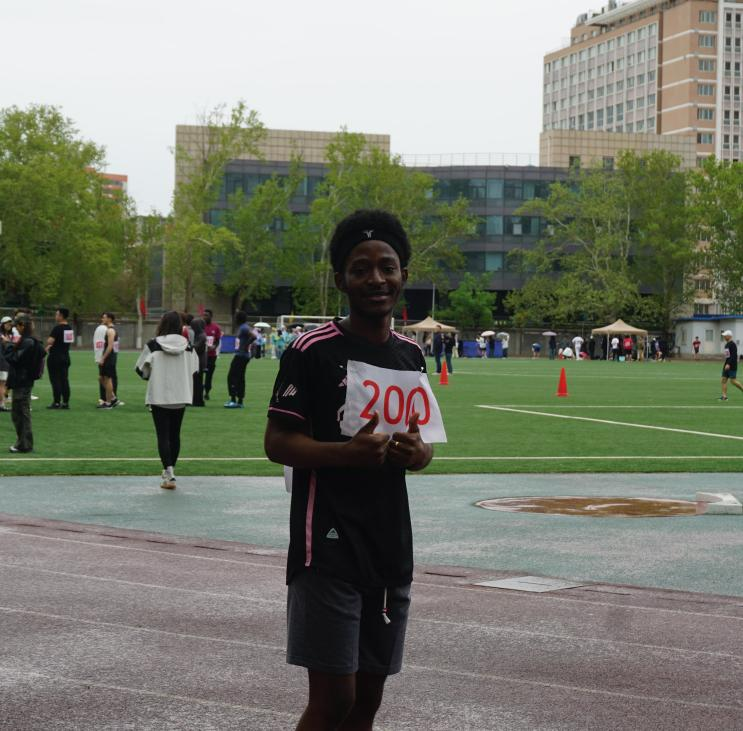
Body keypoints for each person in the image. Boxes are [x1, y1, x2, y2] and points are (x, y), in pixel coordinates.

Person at [264, 209, 433, 731]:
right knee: (334, 701)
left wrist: (417, 454)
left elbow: (424, 446)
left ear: (404, 274)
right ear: (341, 280)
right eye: (361, 269)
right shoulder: (310, 350)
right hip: (327, 546)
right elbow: (277, 442)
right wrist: (346, 453)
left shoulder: (410, 355)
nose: (376, 279)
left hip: (389, 546)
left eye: (387, 267)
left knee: (366, 704)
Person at [135, 311, 198, 489]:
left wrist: (155, 375)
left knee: (162, 435)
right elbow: (194, 369)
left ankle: (168, 473)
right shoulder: (188, 346)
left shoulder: (153, 344)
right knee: (175, 434)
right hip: (181, 395)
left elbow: (141, 370)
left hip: (159, 395)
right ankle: (171, 471)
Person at [2, 313, 42, 453]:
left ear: (22, 326)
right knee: (18, 414)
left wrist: (7, 344)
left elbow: (14, 358)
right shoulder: (29, 340)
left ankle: (25, 445)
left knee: (21, 414)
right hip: (22, 381)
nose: (16, 328)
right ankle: (22, 443)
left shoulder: (28, 341)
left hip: (23, 382)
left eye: (17, 325)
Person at [225, 311, 255, 408]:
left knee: (232, 377)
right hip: (243, 355)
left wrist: (246, 345)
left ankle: (233, 400)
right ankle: (240, 401)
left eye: (236, 317)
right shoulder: (244, 327)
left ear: (239, 318)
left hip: (241, 356)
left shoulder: (244, 328)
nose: (235, 319)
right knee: (240, 377)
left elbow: (254, 336)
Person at [45, 307, 74, 409]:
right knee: (64, 380)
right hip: (65, 356)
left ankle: (56, 402)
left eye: (57, 314)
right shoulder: (69, 328)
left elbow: (50, 341)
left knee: (55, 380)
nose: (55, 316)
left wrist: (50, 343)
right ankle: (65, 402)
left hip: (55, 357)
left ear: (61, 316)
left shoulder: (57, 328)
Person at [99, 312, 121, 408]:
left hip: (109, 358)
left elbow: (110, 346)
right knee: (101, 378)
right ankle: (113, 398)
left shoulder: (111, 330)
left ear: (109, 319)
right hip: (109, 357)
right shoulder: (109, 329)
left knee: (107, 379)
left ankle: (108, 403)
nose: (102, 319)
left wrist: (103, 358)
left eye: (104, 318)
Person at [203, 309, 222, 400]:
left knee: (209, 375)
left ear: (211, 316)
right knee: (198, 374)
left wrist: (214, 346)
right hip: (201, 355)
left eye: (206, 315)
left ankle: (207, 392)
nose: (204, 317)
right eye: (204, 315)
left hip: (211, 355)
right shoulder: (200, 326)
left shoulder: (216, 327)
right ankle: (197, 392)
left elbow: (217, 340)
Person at [719, 330, 743, 401]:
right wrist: (726, 363)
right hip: (726, 365)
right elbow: (728, 356)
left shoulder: (733, 344)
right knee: (723, 380)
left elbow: (733, 356)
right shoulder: (727, 344)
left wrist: (728, 364)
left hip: (732, 365)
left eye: (725, 335)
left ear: (729, 336)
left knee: (733, 381)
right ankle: (724, 397)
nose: (724, 337)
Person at [190, 317, 207, 406]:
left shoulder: (201, 336)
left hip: (199, 361)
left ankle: (198, 401)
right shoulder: (199, 335)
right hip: (197, 360)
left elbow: (196, 347)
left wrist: (189, 345)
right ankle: (196, 399)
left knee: (197, 382)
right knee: (196, 381)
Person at [0, 316, 12, 412]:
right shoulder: (2, 335)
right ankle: (2, 405)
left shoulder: (6, 334)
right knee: (3, 384)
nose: (9, 325)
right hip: (2, 361)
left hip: (4, 361)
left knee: (3, 384)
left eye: (10, 324)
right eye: (7, 324)